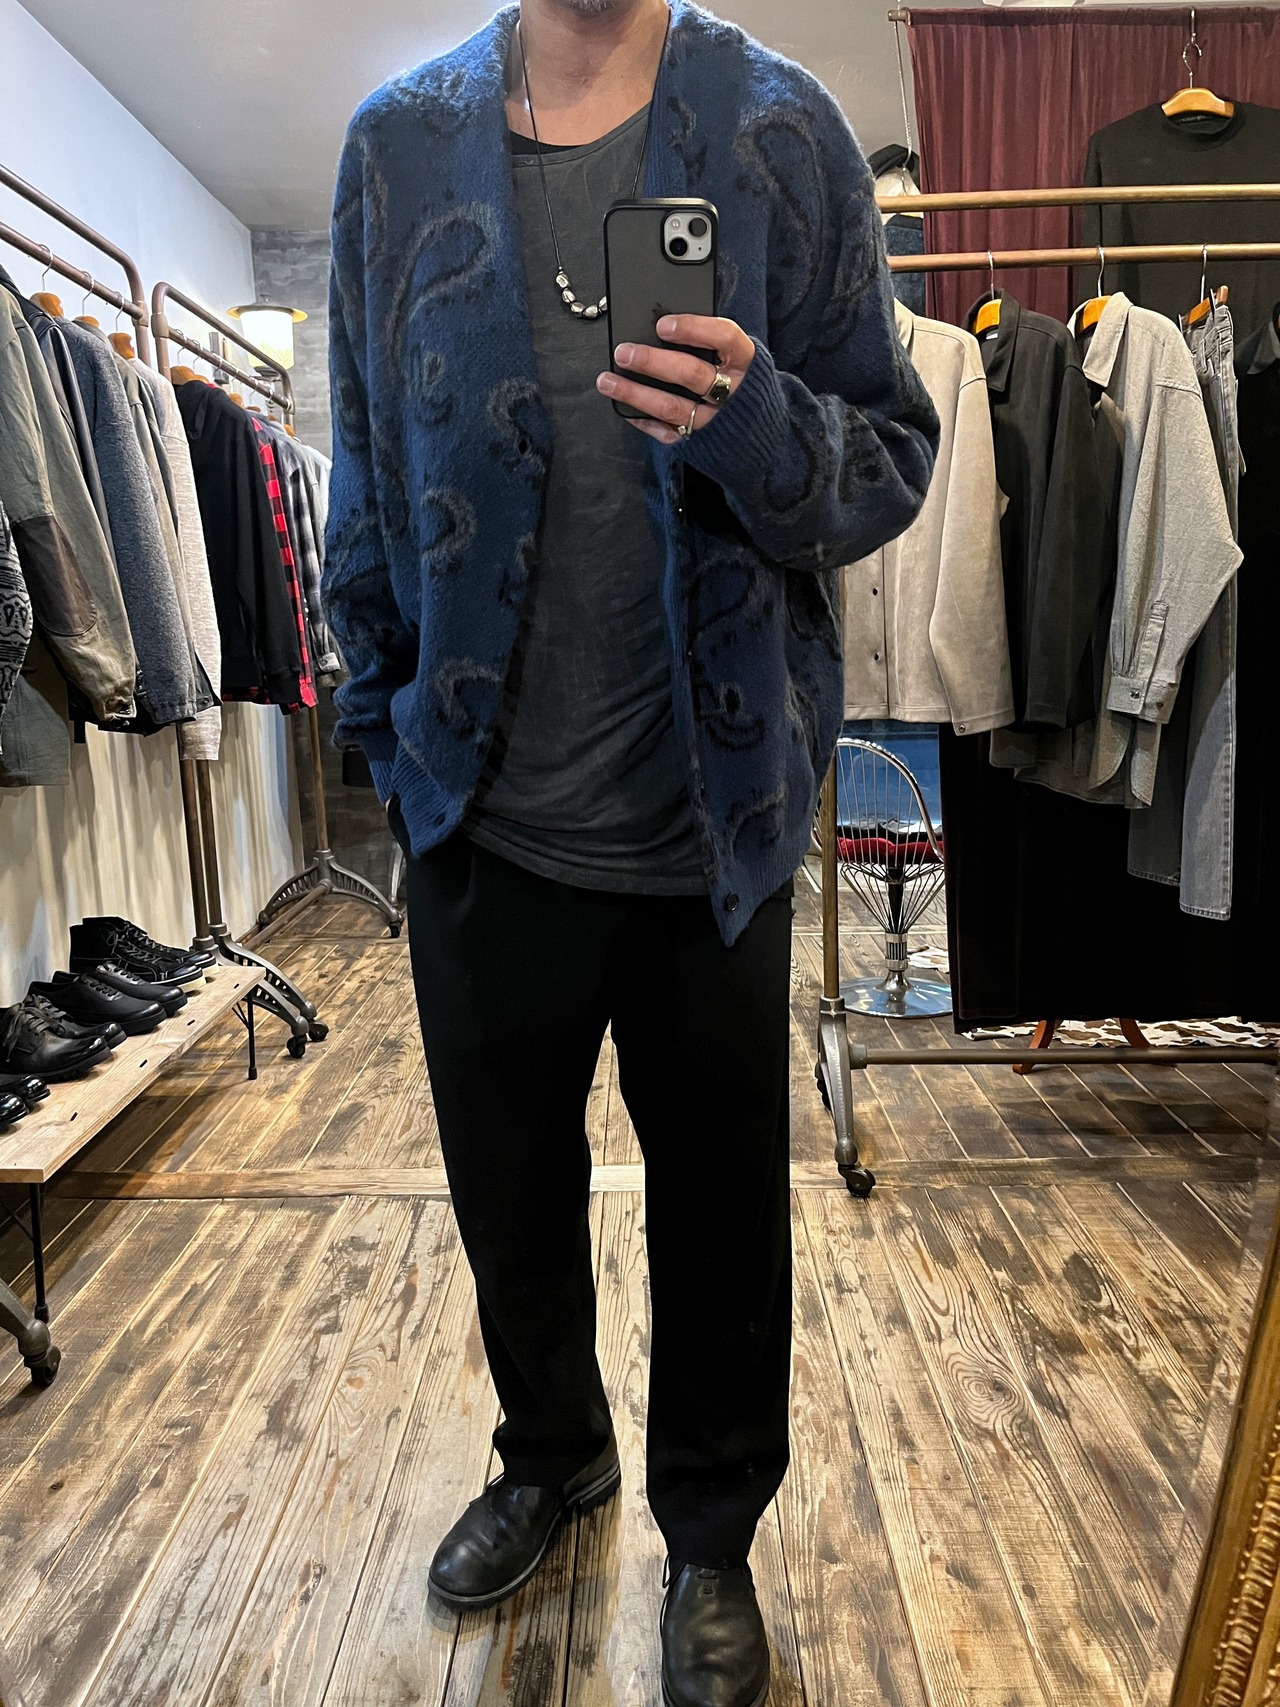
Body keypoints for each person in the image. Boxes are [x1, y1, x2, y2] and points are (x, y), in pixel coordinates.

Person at [323, 0, 937, 1700]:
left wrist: (756, 423)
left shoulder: (784, 130)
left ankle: (714, 1535)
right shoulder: (395, 149)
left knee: (723, 1216)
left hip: (710, 821)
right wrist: (384, 745)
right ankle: (552, 1454)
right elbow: (363, 470)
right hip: (481, 813)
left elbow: (892, 459)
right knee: (506, 1191)